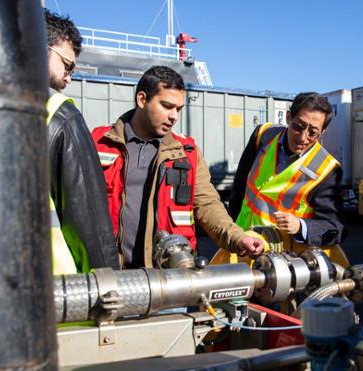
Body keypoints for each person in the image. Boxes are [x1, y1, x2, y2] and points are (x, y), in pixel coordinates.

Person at [91, 66, 264, 269]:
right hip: (109, 273)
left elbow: (207, 204)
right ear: (141, 99)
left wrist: (237, 237)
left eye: (179, 109)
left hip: (169, 277)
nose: (174, 116)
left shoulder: (187, 152)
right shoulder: (97, 143)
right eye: (167, 106)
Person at [45, 9, 118, 273]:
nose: (68, 78)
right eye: (67, 65)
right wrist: (112, 294)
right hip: (58, 298)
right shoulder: (58, 113)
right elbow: (91, 227)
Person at [228, 92, 345, 247]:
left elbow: (336, 228)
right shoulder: (263, 135)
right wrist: (231, 231)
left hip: (281, 258)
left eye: (313, 132)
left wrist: (300, 226)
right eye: (298, 126)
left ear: (322, 132)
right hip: (242, 241)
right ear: (288, 117)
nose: (303, 137)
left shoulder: (327, 169)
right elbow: (239, 187)